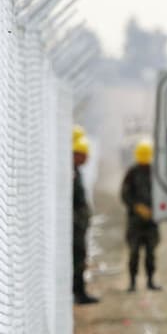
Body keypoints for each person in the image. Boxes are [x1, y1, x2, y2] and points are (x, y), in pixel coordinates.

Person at [121, 138, 161, 291]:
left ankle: (150, 281)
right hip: (135, 222)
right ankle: (132, 282)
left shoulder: (156, 173)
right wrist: (137, 207)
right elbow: (125, 195)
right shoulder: (132, 173)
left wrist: (155, 210)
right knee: (134, 253)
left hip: (151, 222)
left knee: (151, 254)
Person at [72, 126, 100, 305]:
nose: (87, 158)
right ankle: (78, 292)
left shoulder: (75, 171)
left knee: (79, 258)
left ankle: (79, 290)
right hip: (74, 228)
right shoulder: (70, 173)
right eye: (83, 154)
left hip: (78, 226)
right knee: (77, 259)